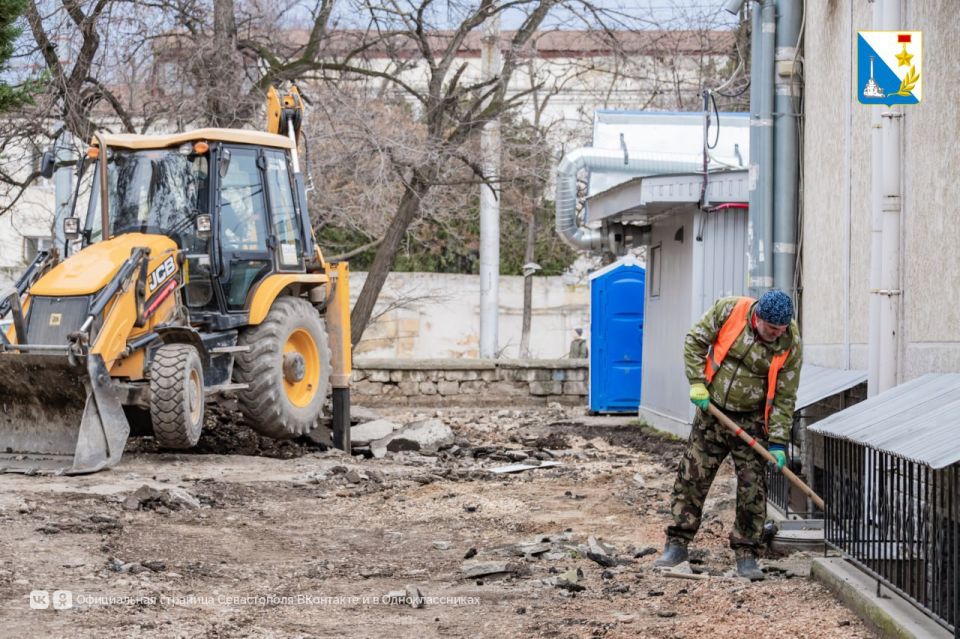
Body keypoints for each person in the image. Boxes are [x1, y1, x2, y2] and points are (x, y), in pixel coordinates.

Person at [653, 289, 802, 581]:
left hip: (753, 422)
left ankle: (746, 553)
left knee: (752, 488)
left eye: (781, 329)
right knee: (692, 478)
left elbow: (785, 395)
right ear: (758, 317)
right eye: (772, 328)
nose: (776, 334)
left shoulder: (790, 342)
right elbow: (695, 340)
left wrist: (778, 442)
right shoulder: (729, 311)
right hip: (713, 412)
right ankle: (677, 544)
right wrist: (697, 382)